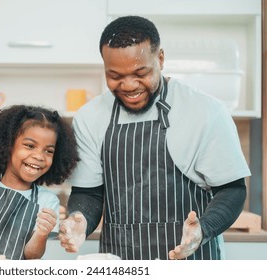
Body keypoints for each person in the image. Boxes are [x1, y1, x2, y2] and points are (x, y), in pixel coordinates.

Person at [58, 15, 250, 260]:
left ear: (160, 59)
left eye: (140, 72)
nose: (128, 85)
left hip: (193, 261)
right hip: (121, 262)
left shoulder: (205, 111)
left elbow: (231, 189)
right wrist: (80, 220)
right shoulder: (90, 117)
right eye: (115, 76)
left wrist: (203, 229)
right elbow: (89, 193)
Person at [0, 105, 79, 259]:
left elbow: (32, 256)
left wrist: (42, 233)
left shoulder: (48, 201)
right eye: (30, 146)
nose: (39, 156)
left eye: (48, 151)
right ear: (8, 145)